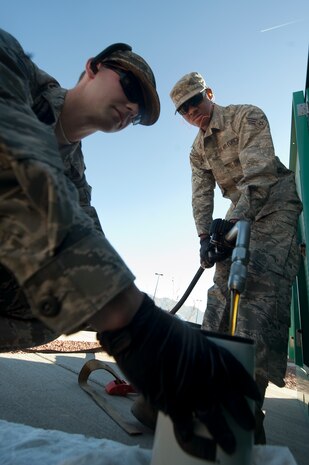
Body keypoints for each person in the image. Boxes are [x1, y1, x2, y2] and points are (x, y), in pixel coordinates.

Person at [0, 29, 260, 457]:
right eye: (131, 86)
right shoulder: (11, 63)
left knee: (71, 295)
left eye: (141, 112)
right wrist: (133, 322)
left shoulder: (75, 183)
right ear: (93, 66)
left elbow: (97, 259)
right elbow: (12, 164)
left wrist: (153, 339)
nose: (133, 107)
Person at [170, 71, 302, 444]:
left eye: (195, 101)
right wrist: (204, 238)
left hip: (274, 210)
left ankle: (247, 416)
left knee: (257, 301)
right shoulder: (197, 150)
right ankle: (208, 402)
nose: (192, 112)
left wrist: (227, 228)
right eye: (183, 110)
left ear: (209, 94)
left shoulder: (248, 116)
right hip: (236, 219)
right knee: (220, 298)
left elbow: (260, 179)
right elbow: (201, 195)